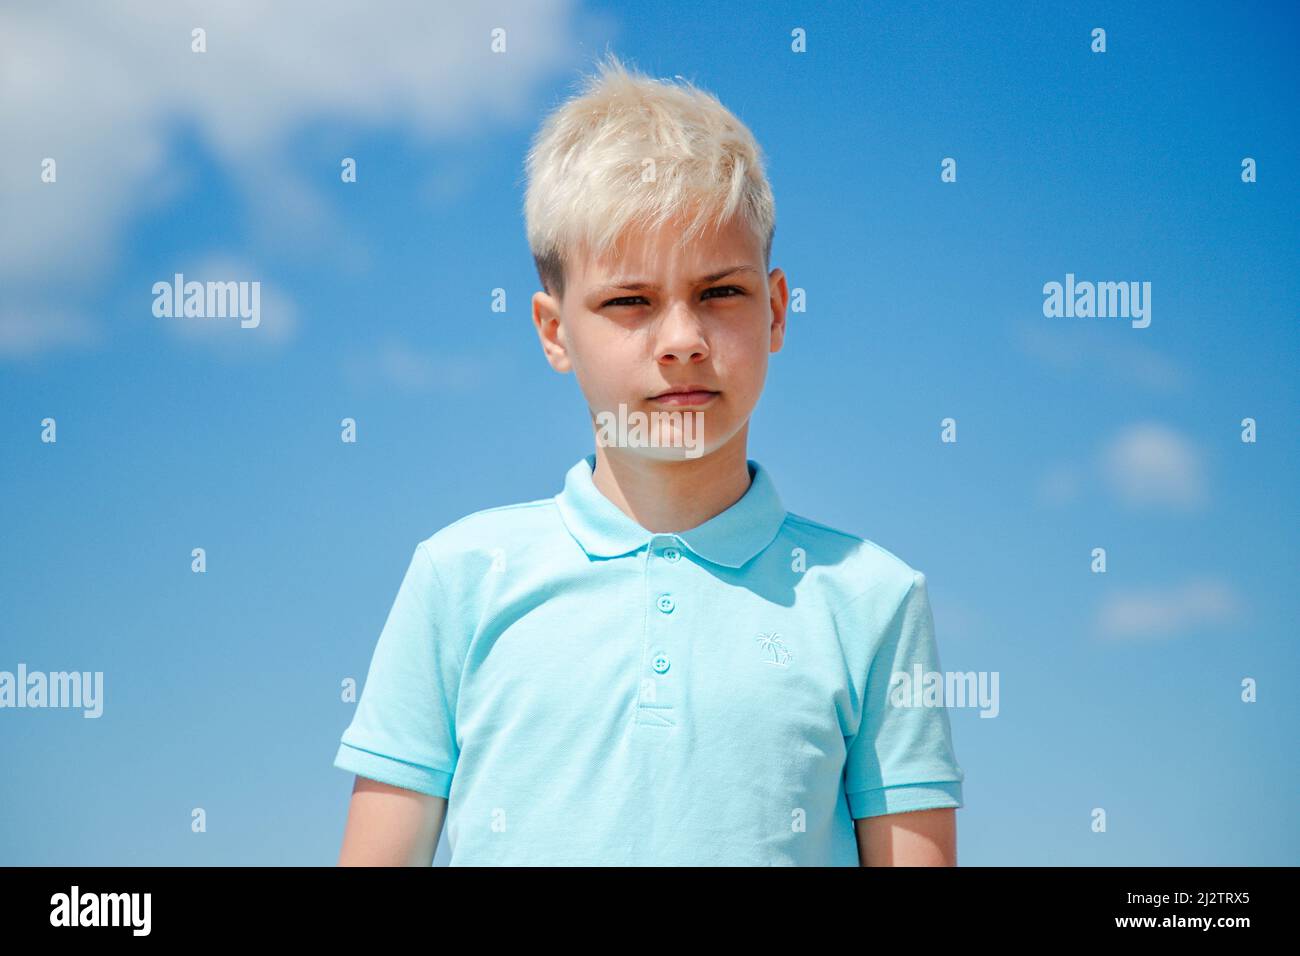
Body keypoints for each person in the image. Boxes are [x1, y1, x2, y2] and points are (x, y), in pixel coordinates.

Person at [335, 52, 964, 866]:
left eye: (719, 293)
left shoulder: (873, 601)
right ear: (554, 330)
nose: (682, 342)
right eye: (630, 301)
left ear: (775, 310)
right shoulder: (459, 577)